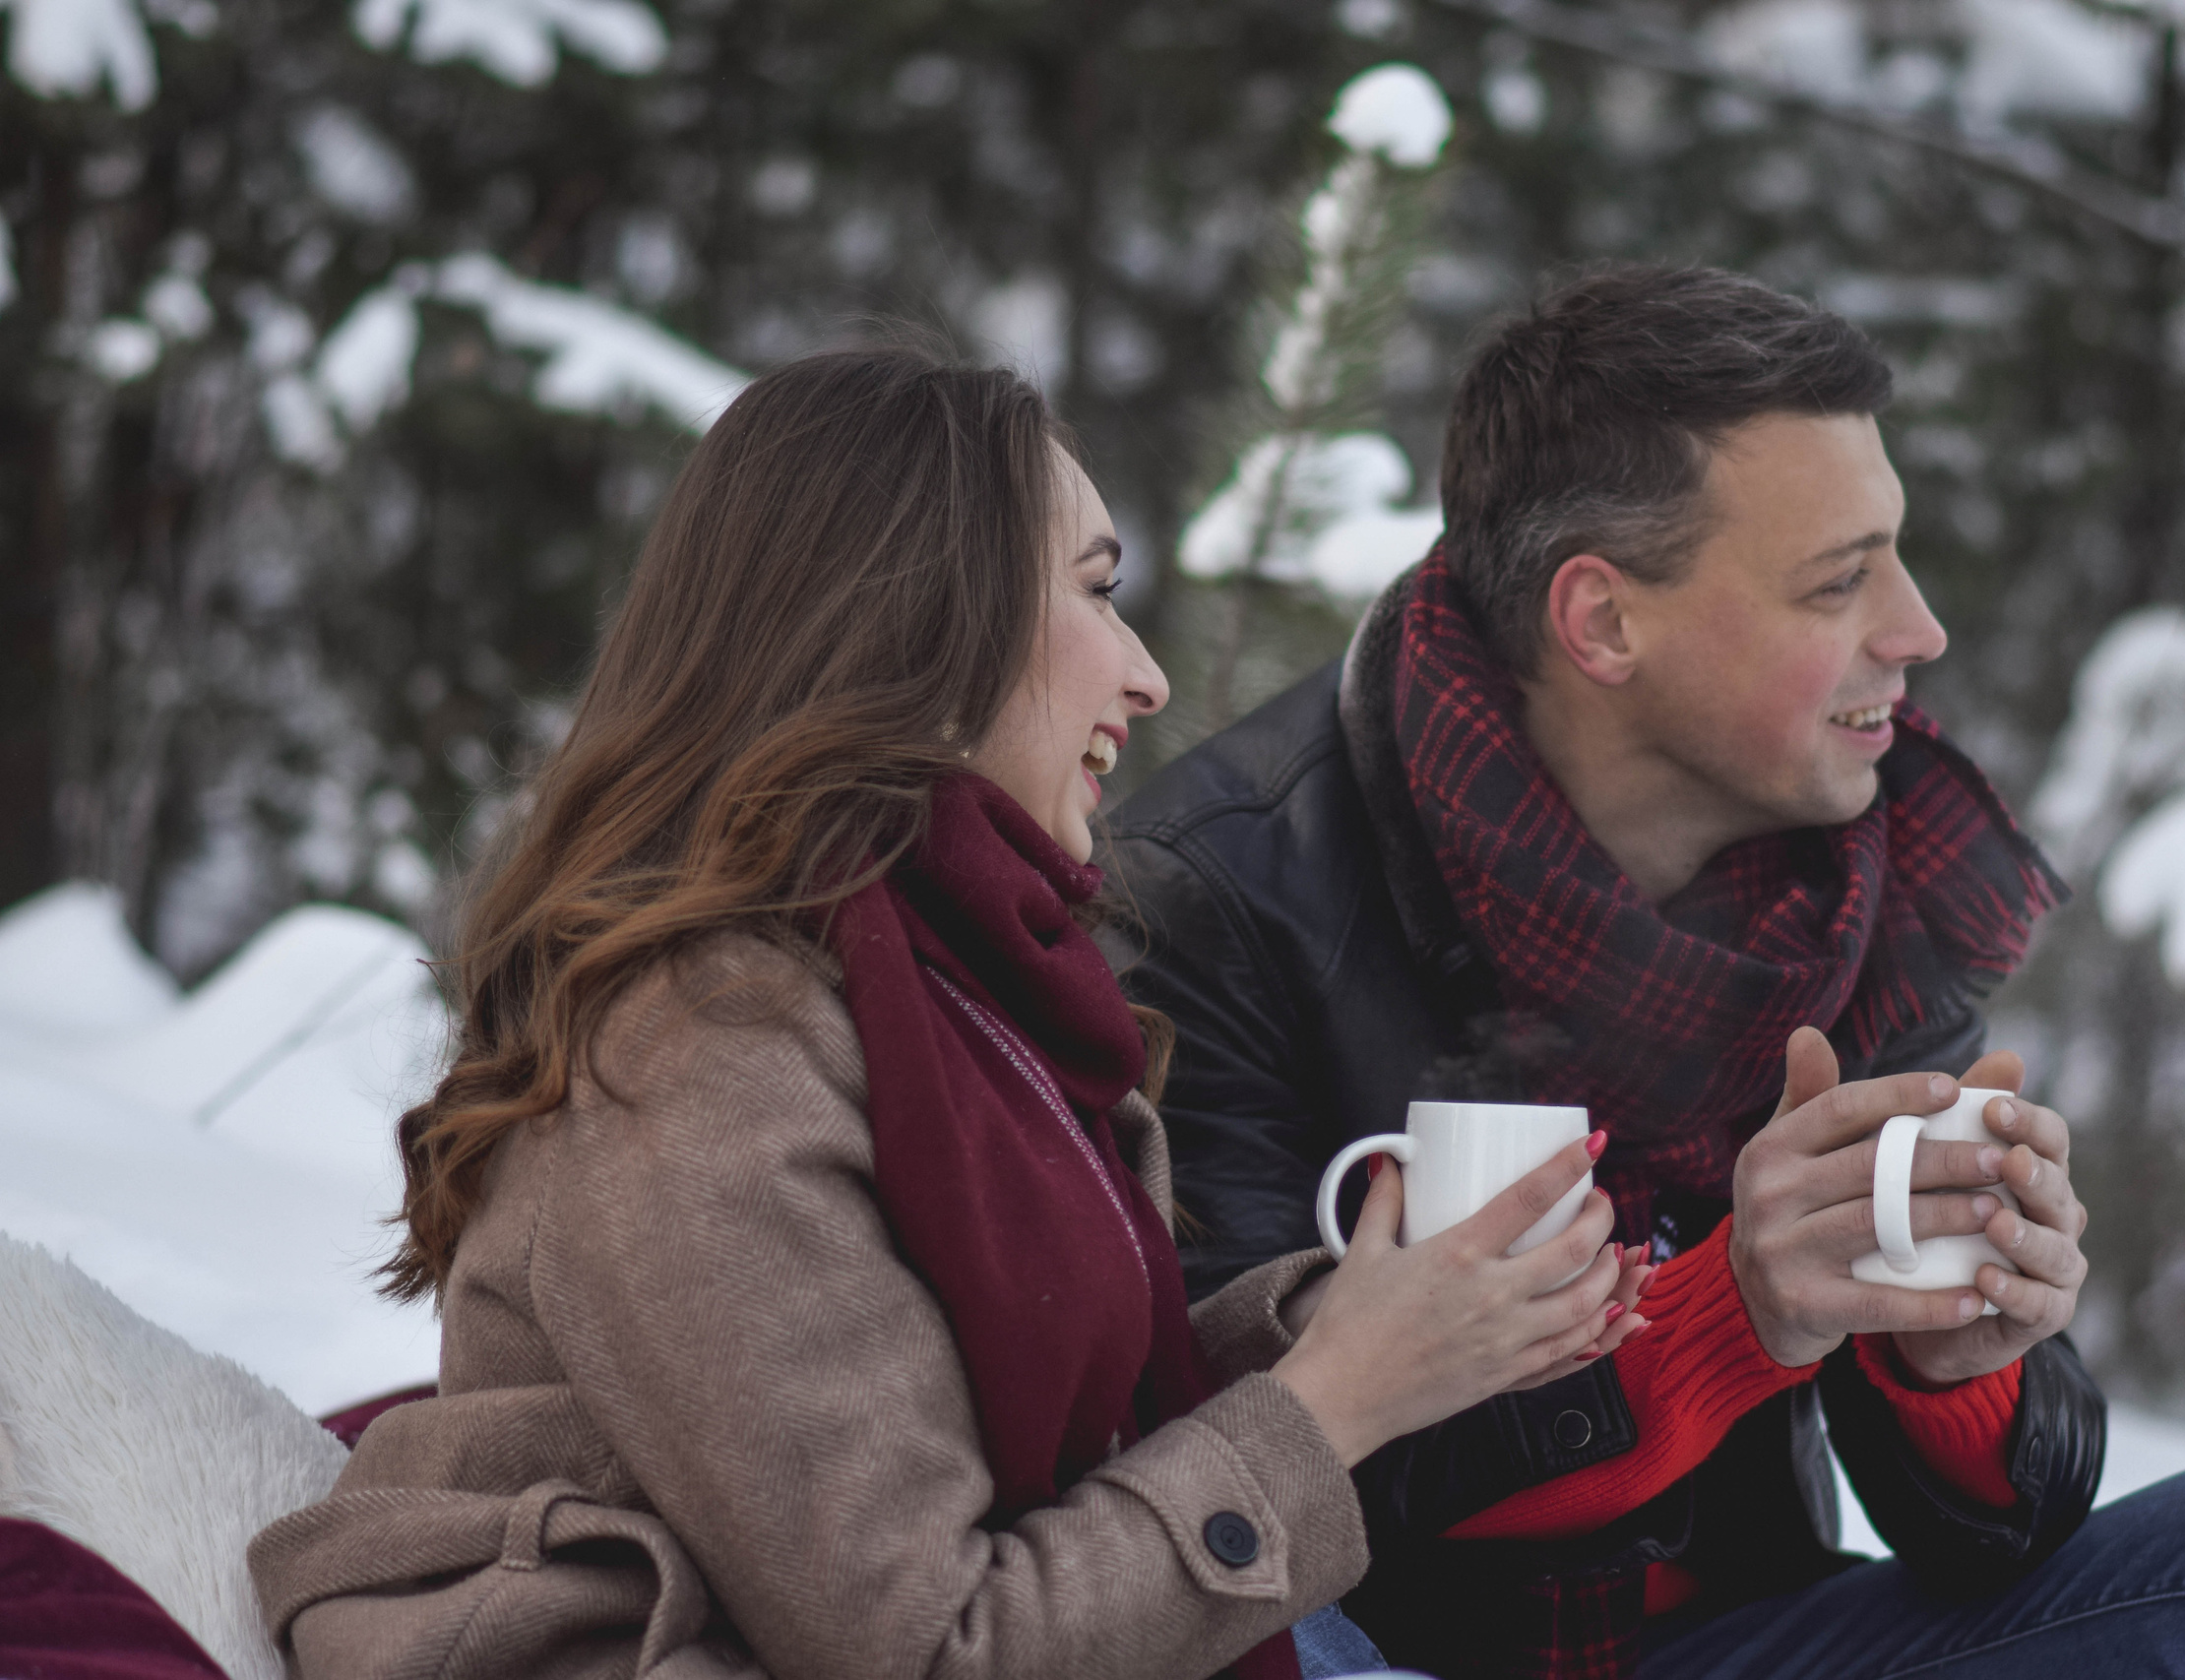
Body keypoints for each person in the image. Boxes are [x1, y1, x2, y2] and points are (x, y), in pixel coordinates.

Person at [1099, 266, 2185, 1679]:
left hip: (1746, 1646)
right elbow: (1242, 1496)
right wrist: (1732, 1315)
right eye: (1841, 580)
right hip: (1374, 1656)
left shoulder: (1851, 869)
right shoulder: (1217, 902)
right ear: (1602, 623)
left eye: (1894, 555)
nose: (1917, 629)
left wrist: (1961, 1350)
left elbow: (1994, 1538)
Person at [246, 344, 1640, 1680]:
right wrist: (1336, 1400)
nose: (1147, 676)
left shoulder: (941, 986)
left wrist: (1386, 1320)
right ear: (923, 625)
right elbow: (926, 1649)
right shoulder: (699, 1050)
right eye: (1096, 592)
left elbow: (1015, 1412)